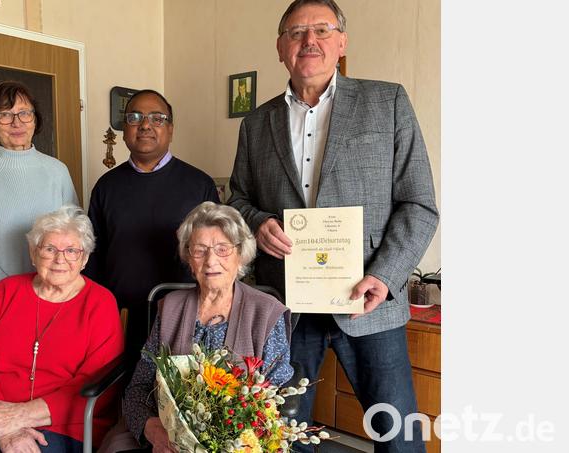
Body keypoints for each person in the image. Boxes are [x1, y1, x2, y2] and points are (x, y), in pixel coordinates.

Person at [227, 1, 439, 451]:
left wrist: (385, 276)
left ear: (341, 42)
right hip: (286, 306)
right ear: (280, 47)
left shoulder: (388, 102)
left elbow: (419, 204)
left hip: (369, 302)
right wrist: (259, 222)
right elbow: (238, 200)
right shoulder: (256, 123)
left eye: (322, 30)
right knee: (279, 436)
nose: (310, 40)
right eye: (296, 32)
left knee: (399, 437)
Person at [0, 206, 124, 453]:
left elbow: (99, 388)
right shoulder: (5, 291)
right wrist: (1, 421)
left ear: (84, 259)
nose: (60, 259)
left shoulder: (100, 304)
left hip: (61, 424)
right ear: (33, 253)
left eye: (71, 251)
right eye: (49, 249)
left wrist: (20, 415)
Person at [122, 202, 293, 452]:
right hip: (170, 441)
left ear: (240, 255)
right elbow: (138, 388)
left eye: (223, 249)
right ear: (189, 259)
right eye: (199, 250)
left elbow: (275, 401)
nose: (211, 261)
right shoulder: (170, 308)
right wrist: (154, 430)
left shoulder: (266, 313)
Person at [85, 89, 219, 358]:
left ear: (170, 129)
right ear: (125, 130)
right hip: (120, 317)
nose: (145, 125)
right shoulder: (106, 187)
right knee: (121, 382)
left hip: (184, 317)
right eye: (135, 117)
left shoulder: (199, 185)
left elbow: (218, 257)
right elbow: (92, 257)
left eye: (157, 118)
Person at [0, 80, 78, 314]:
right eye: (5, 114)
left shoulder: (57, 170)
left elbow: (75, 237)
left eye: (24, 113)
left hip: (53, 300)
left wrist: (57, 288)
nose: (17, 122)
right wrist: (13, 297)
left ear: (35, 119)